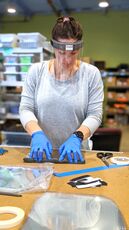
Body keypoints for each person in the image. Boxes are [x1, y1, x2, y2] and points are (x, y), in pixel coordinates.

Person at [19, 16, 104, 163]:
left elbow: (95, 114)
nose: (67, 60)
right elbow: (26, 109)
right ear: (53, 47)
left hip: (75, 154)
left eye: (72, 53)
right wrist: (36, 133)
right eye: (62, 53)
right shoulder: (36, 71)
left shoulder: (91, 74)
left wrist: (77, 137)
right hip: (41, 153)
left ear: (79, 49)